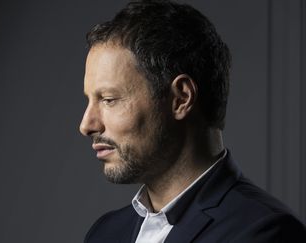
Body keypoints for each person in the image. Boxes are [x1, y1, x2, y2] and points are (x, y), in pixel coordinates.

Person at [78, 0, 306, 242]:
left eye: (109, 99)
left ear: (181, 99)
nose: (86, 125)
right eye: (89, 100)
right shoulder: (105, 233)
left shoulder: (266, 232)